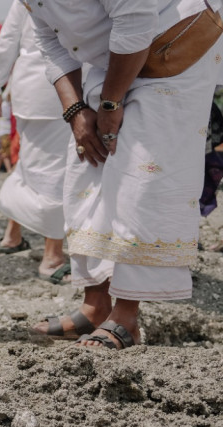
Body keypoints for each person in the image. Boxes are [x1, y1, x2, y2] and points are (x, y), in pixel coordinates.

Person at [28, 0, 223, 349]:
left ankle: (126, 316)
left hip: (171, 45)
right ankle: (95, 305)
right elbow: (51, 41)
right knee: (89, 167)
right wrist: (75, 112)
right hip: (115, 56)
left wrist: (110, 104)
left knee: (142, 175)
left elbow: (136, 17)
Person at [0, 1, 73, 283]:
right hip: (59, 89)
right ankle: (52, 255)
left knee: (32, 164)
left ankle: (12, 235)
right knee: (54, 171)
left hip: (28, 88)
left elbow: (9, 36)